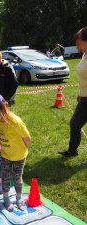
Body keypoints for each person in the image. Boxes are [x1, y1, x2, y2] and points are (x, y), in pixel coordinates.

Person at [58, 27, 87, 158]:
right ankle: (72, 150)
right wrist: (81, 93)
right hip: (84, 97)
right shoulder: (85, 55)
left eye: (79, 42)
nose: (77, 45)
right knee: (75, 123)